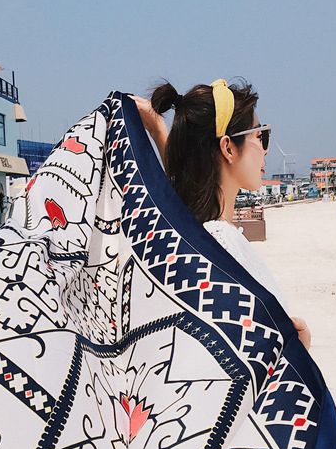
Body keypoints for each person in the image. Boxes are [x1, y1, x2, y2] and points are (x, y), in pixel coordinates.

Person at [130, 80, 311, 350]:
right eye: (261, 136)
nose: (265, 150)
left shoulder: (199, 238)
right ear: (228, 148)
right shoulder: (222, 248)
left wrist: (159, 131)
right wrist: (299, 350)